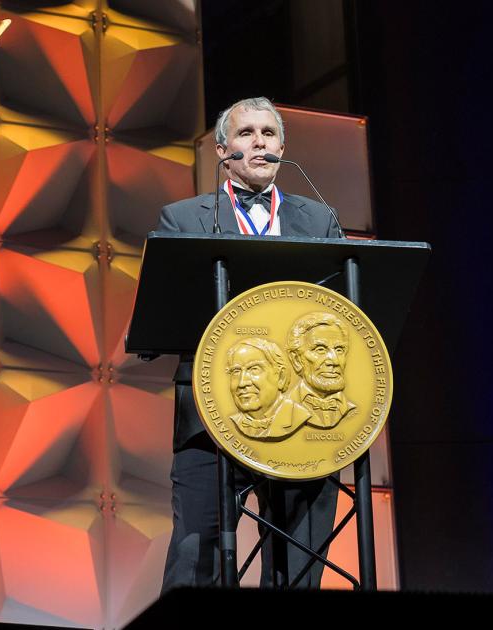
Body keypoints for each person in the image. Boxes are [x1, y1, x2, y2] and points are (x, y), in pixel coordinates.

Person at [158, 97, 342, 592]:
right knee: (196, 558)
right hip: (210, 412)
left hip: (300, 411)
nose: (259, 142)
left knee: (298, 561)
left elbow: (343, 314)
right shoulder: (183, 219)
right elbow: (165, 309)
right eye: (246, 134)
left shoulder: (320, 220)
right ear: (223, 150)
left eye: (268, 133)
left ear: (283, 147)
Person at [225, 338, 313, 440]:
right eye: (236, 371)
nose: (242, 383)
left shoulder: (298, 415)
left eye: (254, 369)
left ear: (281, 377)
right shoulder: (233, 421)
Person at [286, 312, 357, 429]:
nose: (334, 361)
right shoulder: (284, 409)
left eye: (339, 350)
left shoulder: (353, 410)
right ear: (296, 359)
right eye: (320, 349)